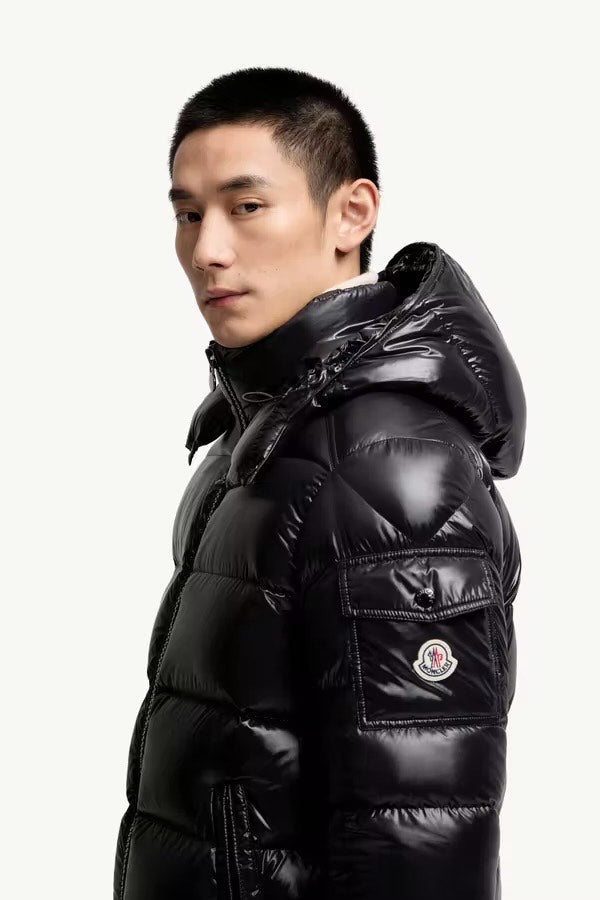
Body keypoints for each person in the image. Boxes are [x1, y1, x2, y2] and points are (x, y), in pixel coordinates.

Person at [113, 66, 526, 900]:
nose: (207, 249)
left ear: (352, 214)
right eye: (188, 214)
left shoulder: (391, 471)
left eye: (246, 206)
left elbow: (421, 847)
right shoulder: (260, 429)